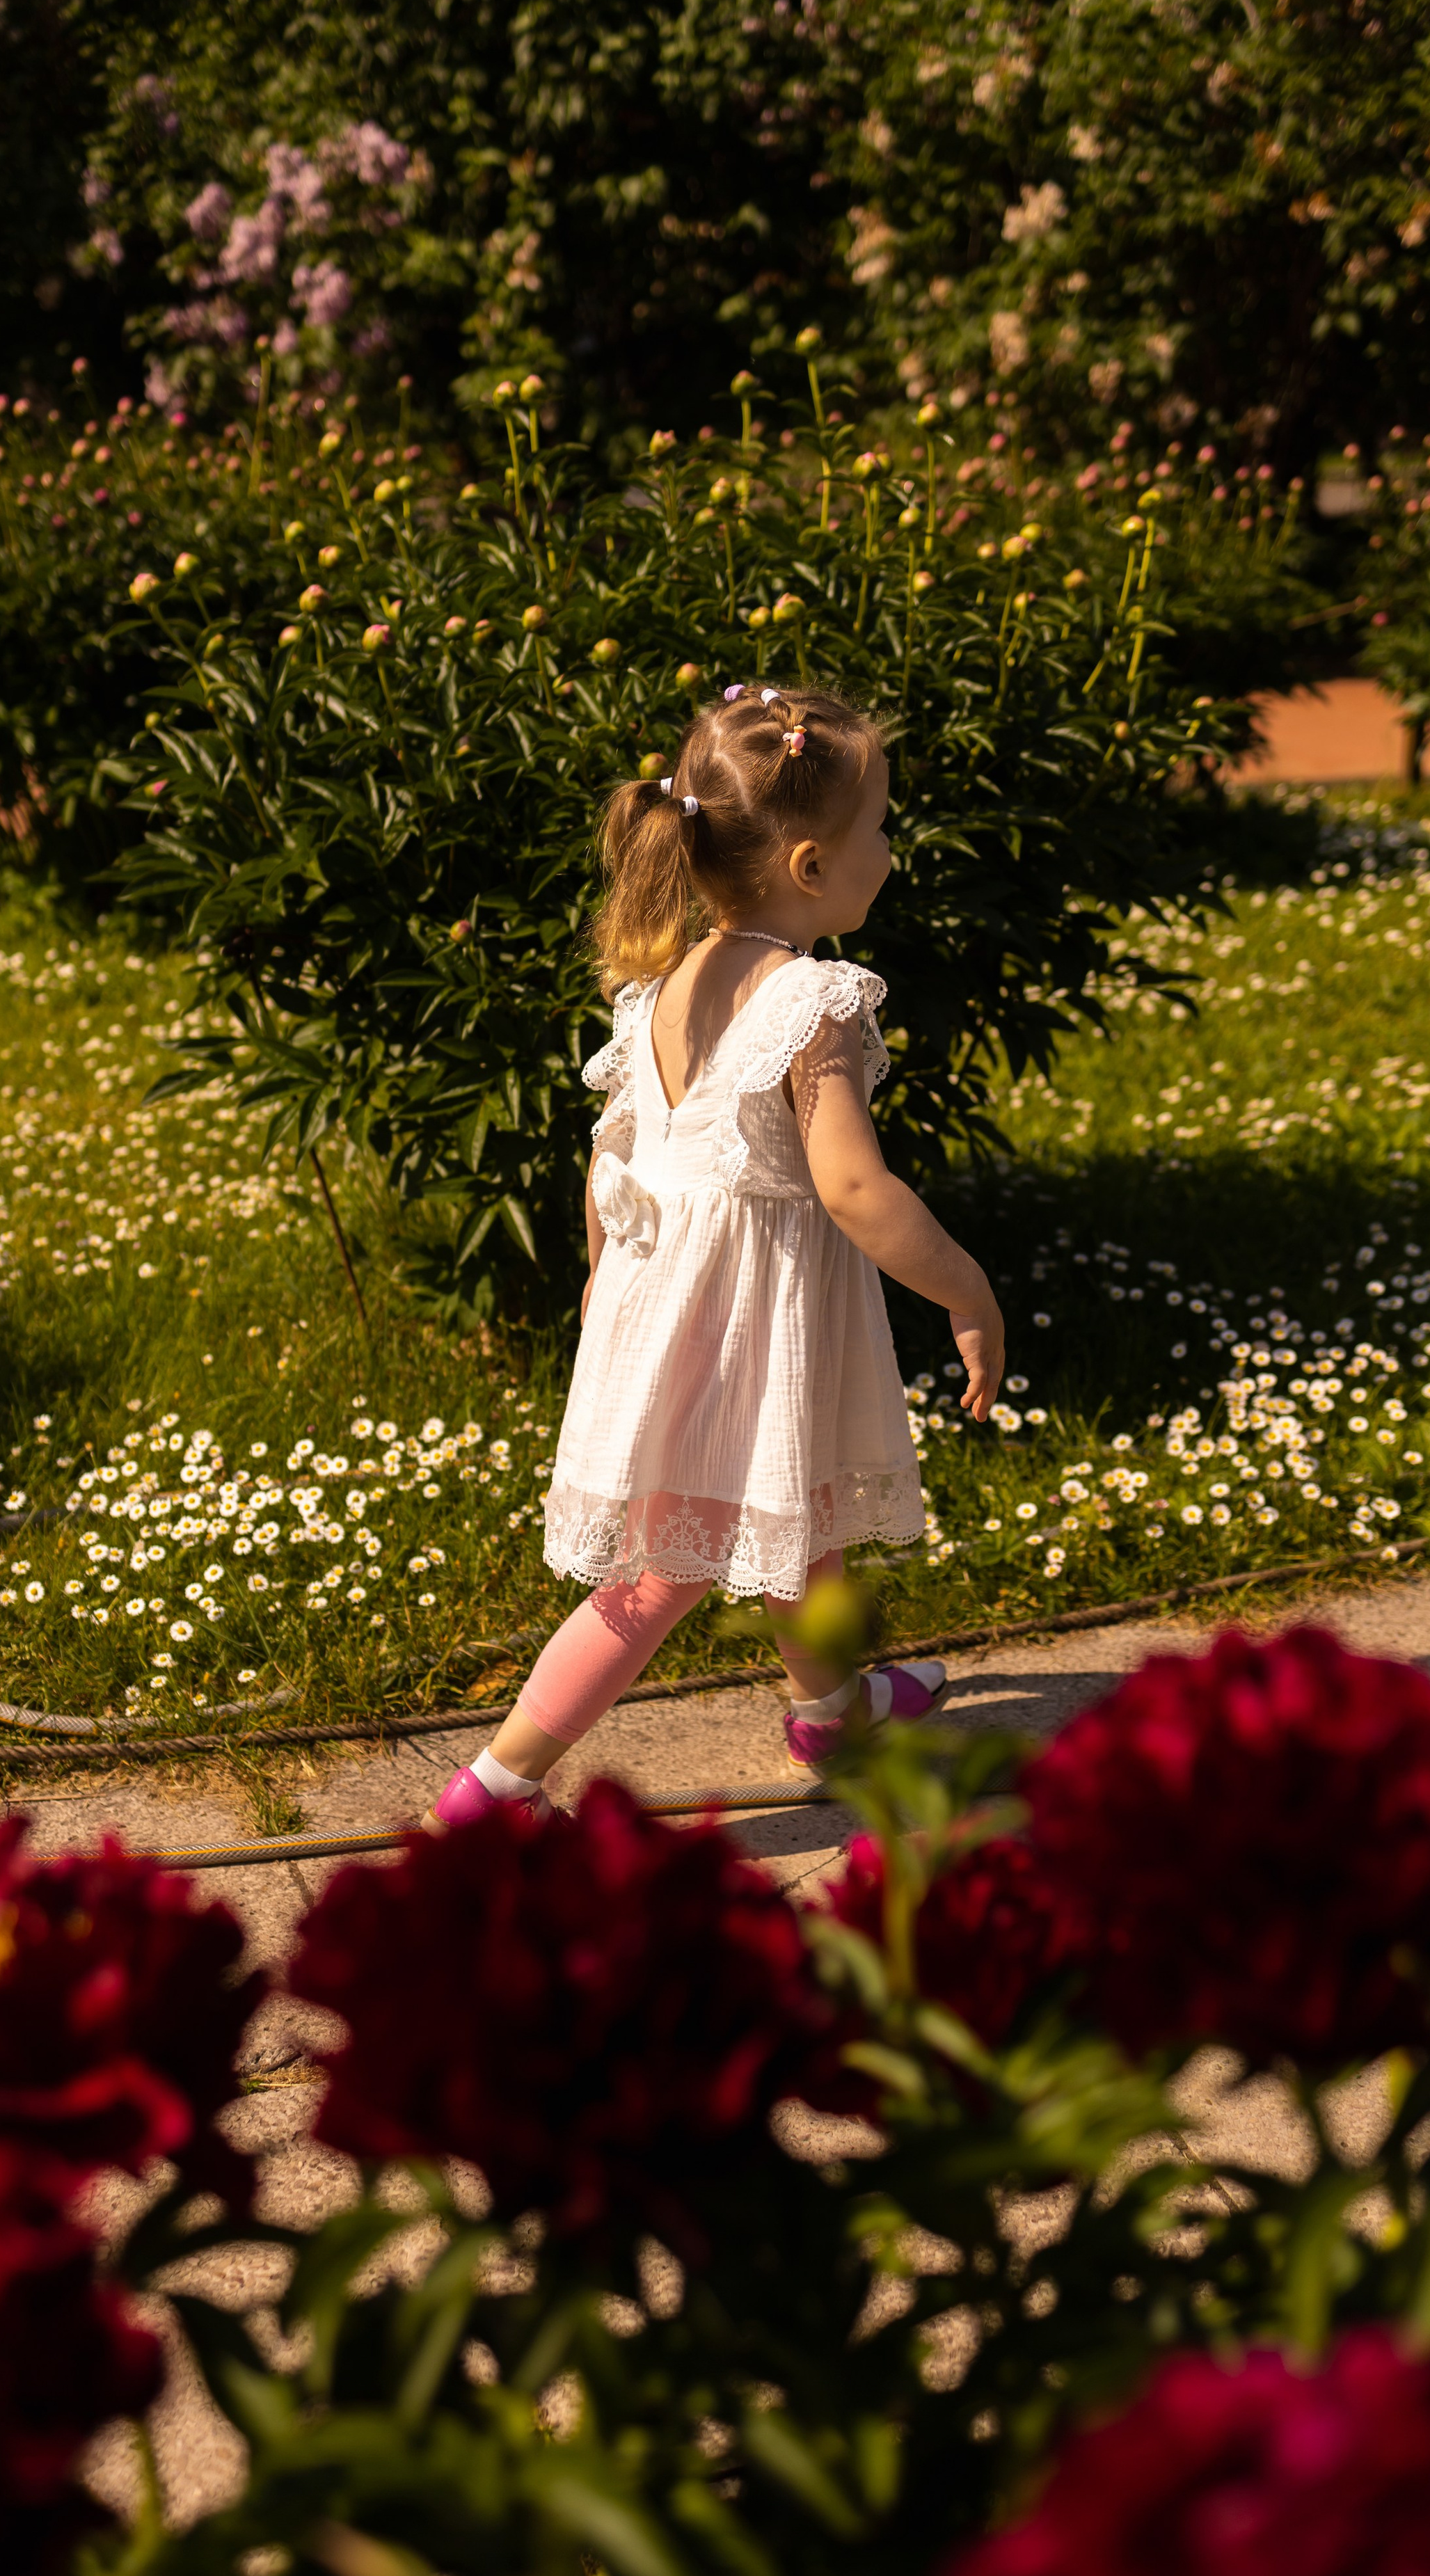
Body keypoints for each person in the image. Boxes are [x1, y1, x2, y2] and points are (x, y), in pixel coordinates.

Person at [427, 682, 1004, 1827]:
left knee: (801, 1514)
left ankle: (831, 1718)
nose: (889, 847)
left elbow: (614, 1157)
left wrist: (605, 1289)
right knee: (657, 1578)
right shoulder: (814, 1000)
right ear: (808, 867)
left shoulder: (660, 990)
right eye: (877, 827)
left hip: (670, 1303)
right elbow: (851, 1185)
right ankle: (496, 1789)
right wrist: (965, 1288)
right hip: (742, 1324)